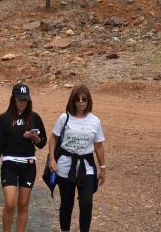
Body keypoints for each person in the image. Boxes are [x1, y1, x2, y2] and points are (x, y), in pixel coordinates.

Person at [0, 83, 47, 232]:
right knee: (10, 203)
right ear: (13, 99)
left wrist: (35, 138)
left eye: (25, 100)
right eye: (20, 99)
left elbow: (42, 142)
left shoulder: (34, 117)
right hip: (9, 163)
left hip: (28, 164)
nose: (22, 103)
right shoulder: (4, 118)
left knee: (23, 203)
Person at [47, 85, 106, 232]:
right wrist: (52, 159)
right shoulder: (64, 117)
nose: (81, 102)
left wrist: (103, 168)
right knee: (67, 204)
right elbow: (53, 138)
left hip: (86, 167)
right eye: (77, 99)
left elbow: (98, 146)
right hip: (65, 166)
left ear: (88, 101)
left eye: (84, 99)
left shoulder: (95, 121)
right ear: (72, 101)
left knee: (86, 203)